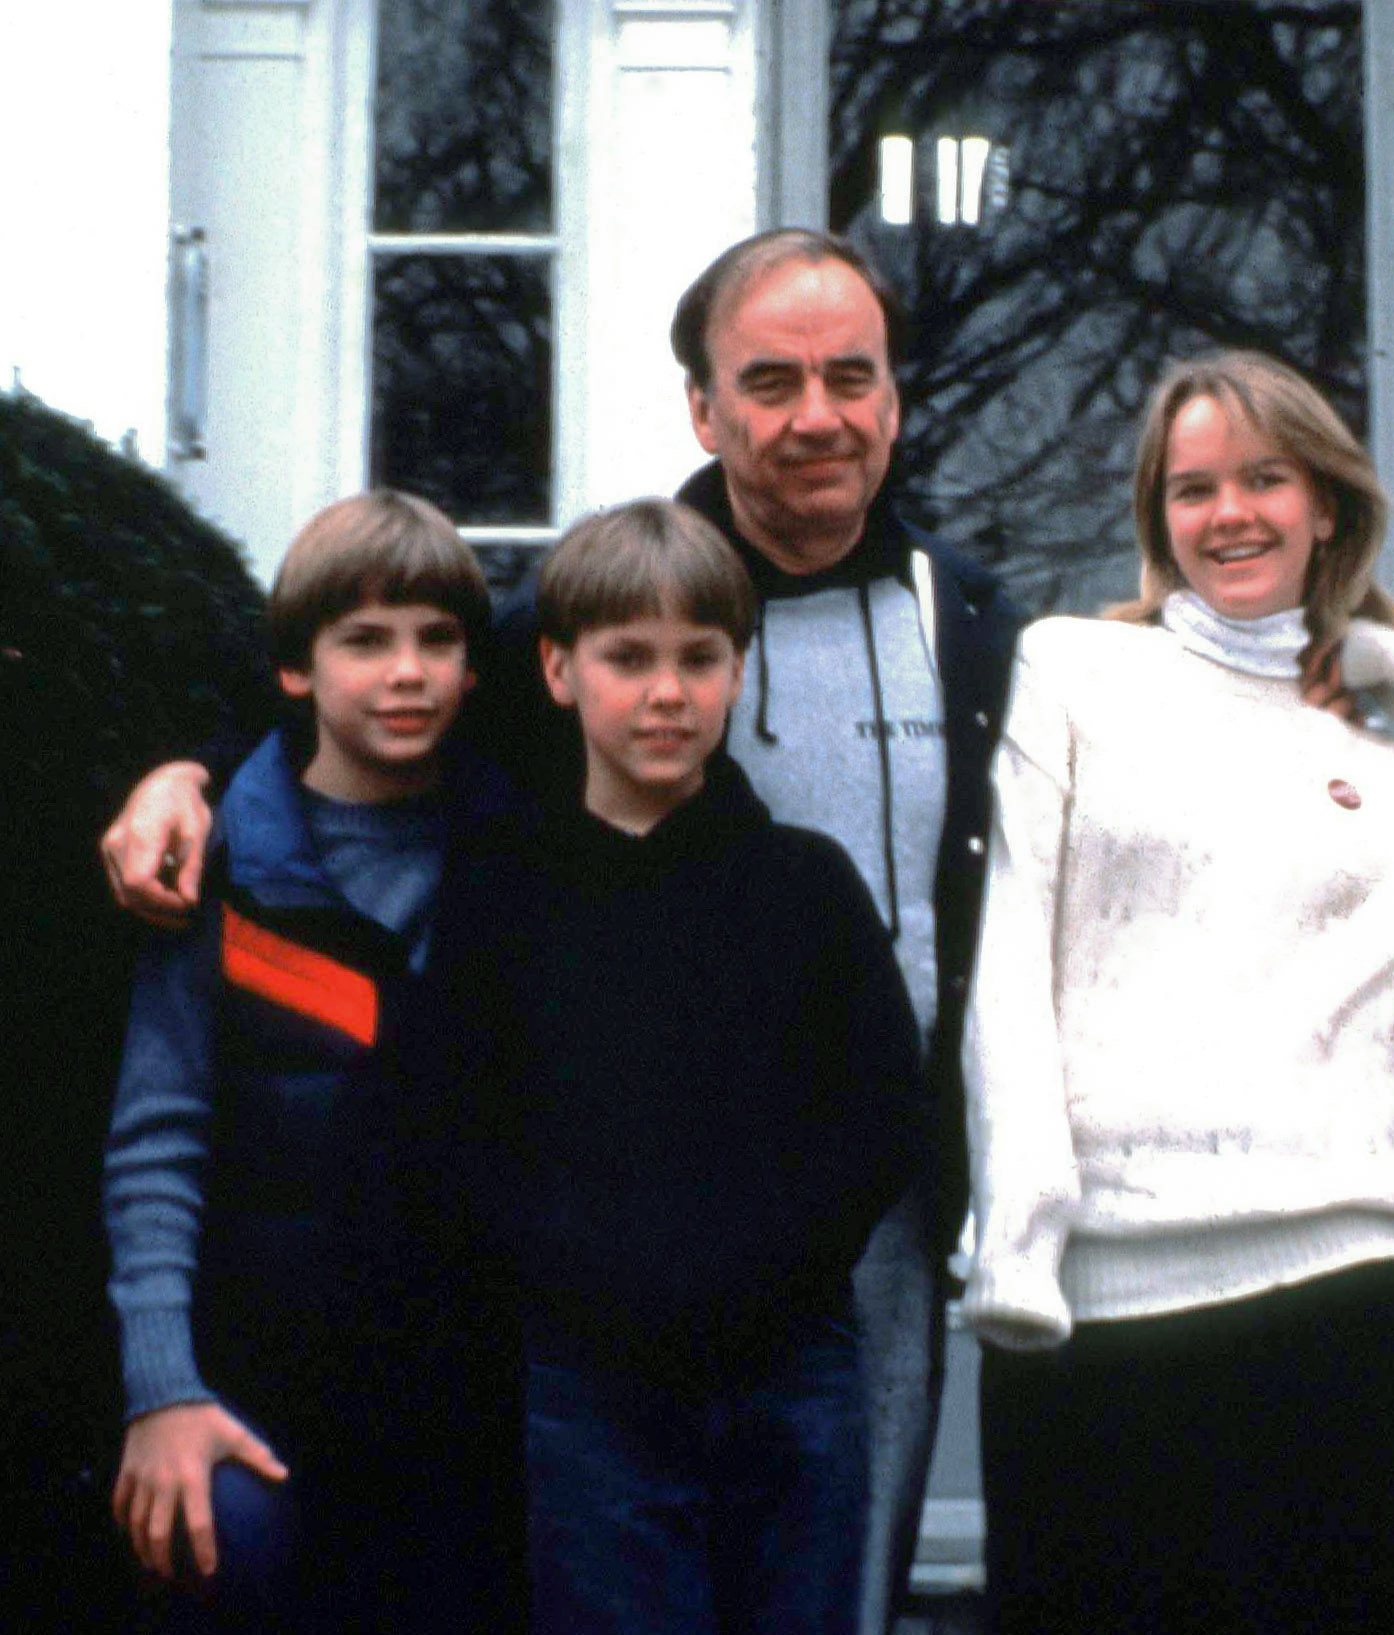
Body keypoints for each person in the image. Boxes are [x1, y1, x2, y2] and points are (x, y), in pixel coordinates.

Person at [99, 227, 1022, 1634]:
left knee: (842, 1591)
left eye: (852, 376)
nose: (816, 416)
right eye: (770, 381)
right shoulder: (605, 605)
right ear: (704, 409)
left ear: (896, 398)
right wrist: (194, 771)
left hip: (847, 1232)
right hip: (592, 1296)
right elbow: (367, 681)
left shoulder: (970, 624)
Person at [961, 349, 1394, 1634]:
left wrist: (1381, 657)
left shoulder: (1383, 768)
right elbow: (1006, 959)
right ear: (1159, 519)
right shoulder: (1073, 671)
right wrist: (1021, 1246)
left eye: (1265, 478)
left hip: (1342, 1308)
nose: (1231, 513)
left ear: (1327, 504)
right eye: (1193, 489)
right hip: (1101, 1311)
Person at [418, 498, 927, 1635]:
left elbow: (883, 1108)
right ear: (556, 671)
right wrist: (579, 1272)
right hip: (589, 1387)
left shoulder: (804, 886)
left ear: (737, 673)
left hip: (792, 1373)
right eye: (627, 659)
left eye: (699, 659)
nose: (666, 693)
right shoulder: (505, 894)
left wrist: (770, 1267)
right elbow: (457, 1128)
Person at [101, 491, 505, 1631]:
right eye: (364, 640)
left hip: (474, 1403)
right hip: (263, 1388)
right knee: (217, 1540)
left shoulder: (522, 852)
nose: (407, 671)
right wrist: (163, 1389)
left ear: (476, 670)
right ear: (295, 670)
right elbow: (155, 1142)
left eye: (437, 639)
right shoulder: (218, 863)